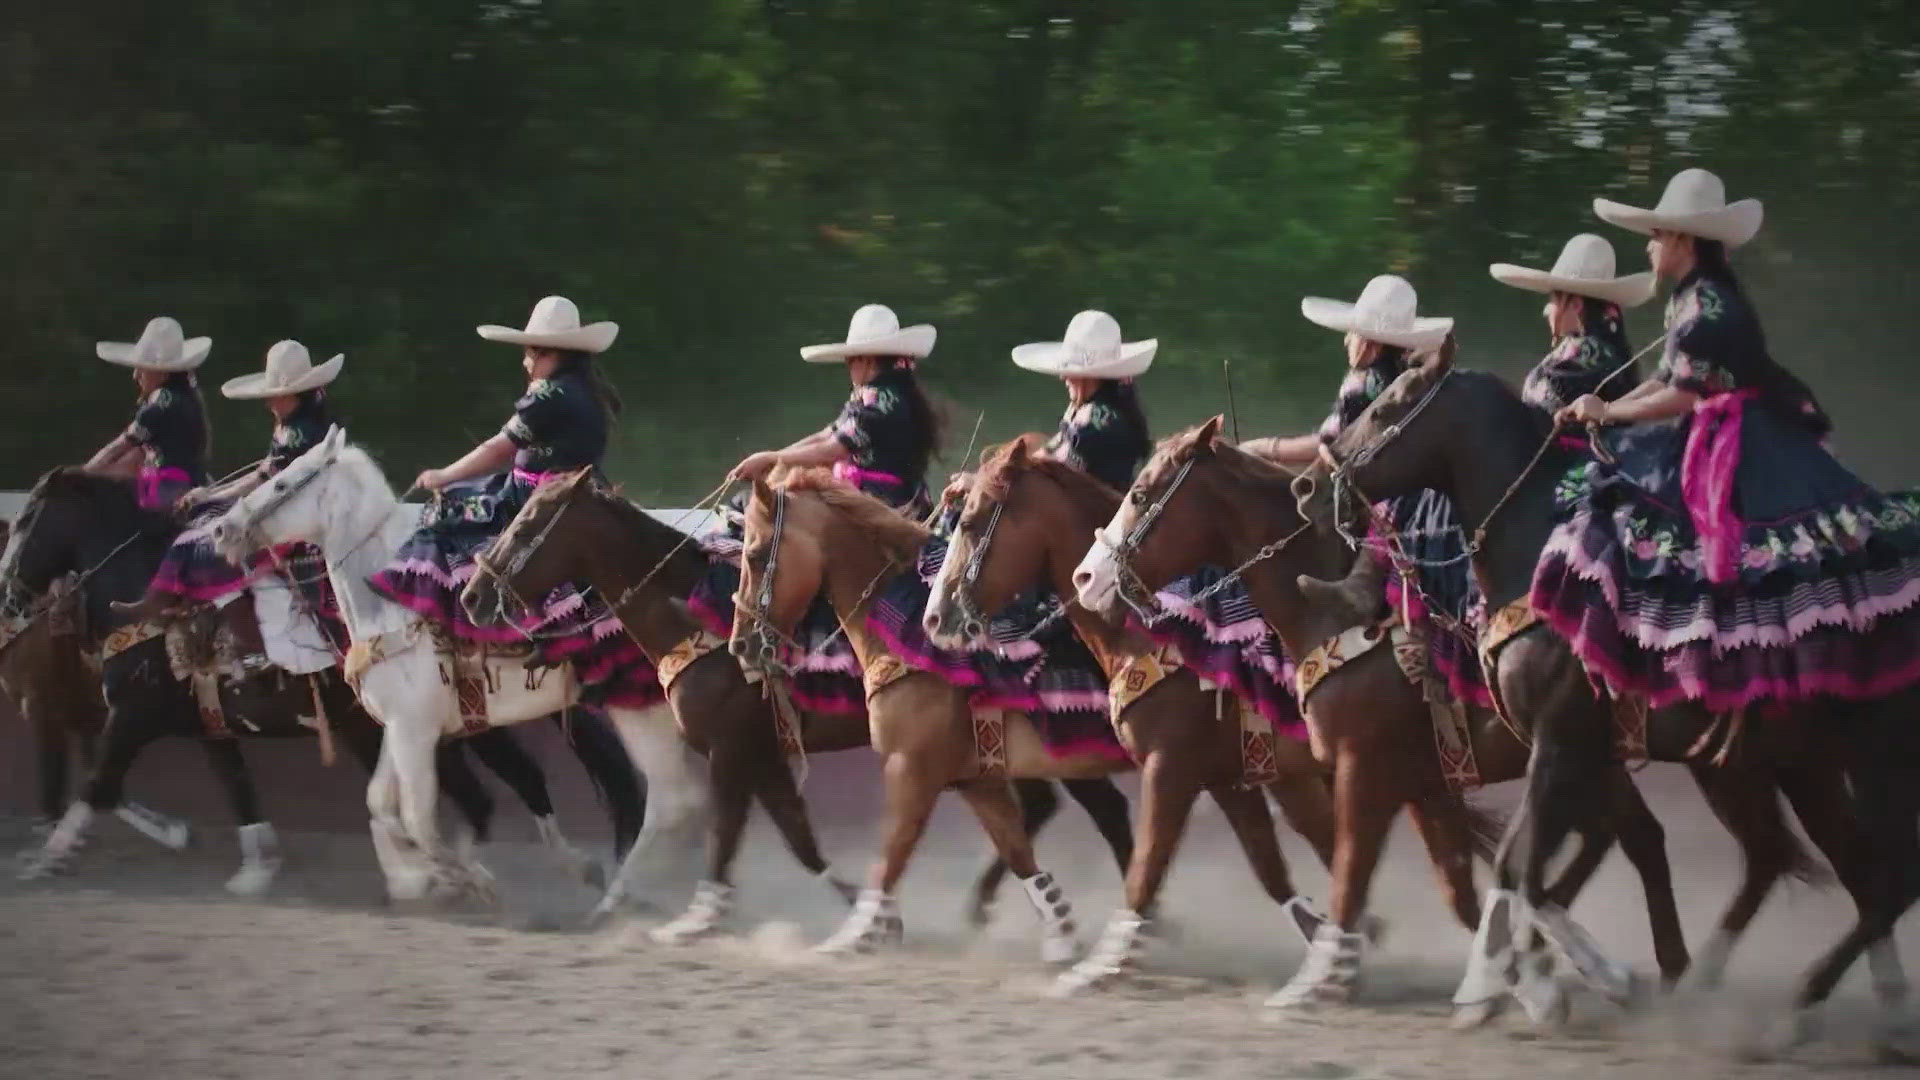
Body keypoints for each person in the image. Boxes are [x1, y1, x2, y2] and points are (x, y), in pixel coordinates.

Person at [1536, 168, 1920, 708]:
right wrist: (1606, 410)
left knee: (1739, 549)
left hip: (1738, 440)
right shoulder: (1688, 300)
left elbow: (1685, 394)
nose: (1648, 248)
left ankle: (1726, 683)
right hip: (1708, 430)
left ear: (1682, 240)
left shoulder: (1710, 305)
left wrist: (1607, 409)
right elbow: (1665, 381)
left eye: (1655, 235)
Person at [368, 296, 651, 700]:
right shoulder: (581, 388)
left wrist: (444, 474)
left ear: (545, 352)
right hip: (566, 494)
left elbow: (498, 447)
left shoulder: (550, 394)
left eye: (527, 353)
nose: (523, 362)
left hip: (543, 500)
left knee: (448, 514)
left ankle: (483, 634)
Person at [1249, 275, 1490, 707]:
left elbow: (1330, 444)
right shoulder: (1396, 374)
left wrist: (1263, 449)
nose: (1347, 342)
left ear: (1371, 343)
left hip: (1378, 487)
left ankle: (1361, 589)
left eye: (1353, 334)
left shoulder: (1365, 383)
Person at [691, 304, 942, 714]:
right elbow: (825, 435)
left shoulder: (885, 397)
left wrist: (773, 460)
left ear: (863, 359)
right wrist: (775, 458)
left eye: (850, 360)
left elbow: (834, 448)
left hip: (880, 499)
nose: (849, 367)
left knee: (783, 528)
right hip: (857, 489)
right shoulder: (874, 393)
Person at [112, 340, 345, 667]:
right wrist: (213, 494)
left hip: (296, 527)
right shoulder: (303, 422)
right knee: (206, 522)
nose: (268, 403)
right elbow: (264, 474)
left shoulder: (297, 432)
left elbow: (265, 480)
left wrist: (212, 495)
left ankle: (245, 642)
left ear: (290, 394)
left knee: (205, 546)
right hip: (295, 516)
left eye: (272, 395)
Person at [1489, 232, 1656, 417]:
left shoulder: (1586, 356)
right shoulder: (1607, 349)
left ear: (1575, 305)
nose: (1547, 310)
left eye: (1552, 300)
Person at [84, 316, 211, 514]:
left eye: (142, 369)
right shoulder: (188, 397)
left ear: (162, 373)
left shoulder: (161, 403)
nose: (136, 375)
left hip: (167, 493)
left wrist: (80, 477)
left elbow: (117, 448)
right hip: (191, 485)